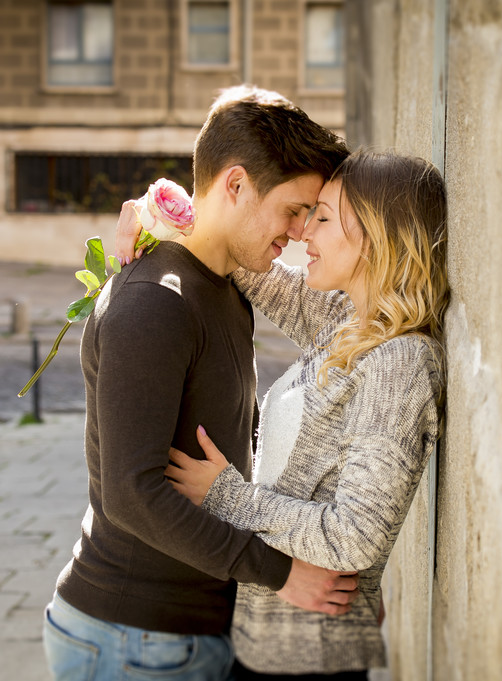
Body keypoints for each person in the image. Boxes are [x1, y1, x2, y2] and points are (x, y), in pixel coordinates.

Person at [43, 86, 354, 681]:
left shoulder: (228, 287)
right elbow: (132, 494)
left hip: (184, 635)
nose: (297, 231)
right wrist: (283, 573)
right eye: (293, 209)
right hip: (132, 639)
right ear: (235, 184)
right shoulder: (155, 303)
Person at [118, 150, 450, 679]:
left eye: (321, 216)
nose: (303, 234)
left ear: (377, 234)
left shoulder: (400, 362)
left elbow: (357, 536)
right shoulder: (350, 322)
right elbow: (249, 261)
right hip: (261, 639)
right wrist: (156, 211)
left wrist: (227, 496)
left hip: (313, 652)